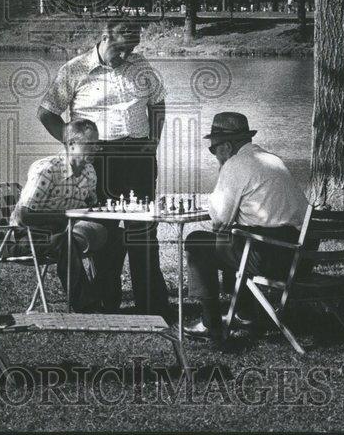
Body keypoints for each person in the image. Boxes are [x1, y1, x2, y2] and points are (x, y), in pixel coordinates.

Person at [38, 18, 171, 319]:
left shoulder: (142, 66)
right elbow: (46, 113)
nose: (129, 54)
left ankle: (151, 304)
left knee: (144, 230)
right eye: (123, 48)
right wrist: (74, 143)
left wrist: (154, 139)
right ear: (106, 36)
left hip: (138, 156)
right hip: (98, 157)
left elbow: (159, 103)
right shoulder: (74, 69)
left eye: (134, 46)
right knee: (105, 231)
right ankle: (106, 299)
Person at [183, 112, 309, 343]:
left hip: (268, 258)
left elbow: (220, 219)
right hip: (299, 257)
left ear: (226, 146)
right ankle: (245, 313)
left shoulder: (235, 164)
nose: (214, 154)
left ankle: (209, 323)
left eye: (214, 149)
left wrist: (223, 168)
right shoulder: (272, 159)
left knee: (196, 242)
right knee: (235, 236)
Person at [10, 118, 120, 312]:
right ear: (71, 144)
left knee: (117, 237)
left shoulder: (89, 171)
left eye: (97, 144)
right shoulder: (47, 170)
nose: (95, 149)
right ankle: (86, 306)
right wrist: (64, 217)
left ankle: (107, 298)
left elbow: (90, 204)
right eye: (89, 144)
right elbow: (22, 216)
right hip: (27, 236)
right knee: (66, 241)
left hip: (65, 231)